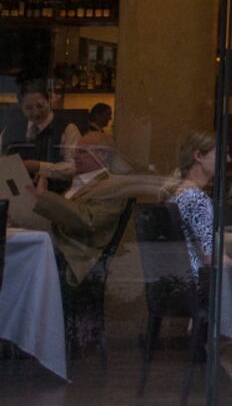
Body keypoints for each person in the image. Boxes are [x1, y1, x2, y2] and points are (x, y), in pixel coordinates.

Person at [27, 131, 147, 286]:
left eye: (82, 152)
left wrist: (45, 197)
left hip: (75, 260)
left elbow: (89, 221)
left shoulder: (113, 186)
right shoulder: (81, 183)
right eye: (74, 152)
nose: (75, 157)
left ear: (103, 155)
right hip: (56, 252)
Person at [8, 81, 82, 187]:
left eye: (40, 106)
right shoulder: (12, 129)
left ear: (49, 101)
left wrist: (39, 166)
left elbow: (75, 168)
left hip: (57, 197)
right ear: (20, 106)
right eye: (29, 108)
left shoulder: (68, 129)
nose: (36, 112)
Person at [166, 131, 217, 278]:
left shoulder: (178, 192)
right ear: (199, 156)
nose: (228, 159)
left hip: (180, 280)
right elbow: (210, 258)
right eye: (221, 154)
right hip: (199, 283)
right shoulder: (196, 198)